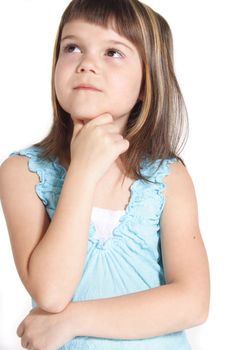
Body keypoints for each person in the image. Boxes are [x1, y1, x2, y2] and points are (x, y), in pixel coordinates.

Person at [0, 0, 210, 349]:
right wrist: (83, 171)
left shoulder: (167, 178)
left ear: (146, 82)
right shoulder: (23, 173)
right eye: (72, 48)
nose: (86, 65)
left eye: (113, 52)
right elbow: (51, 292)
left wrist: (74, 320)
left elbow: (193, 302)